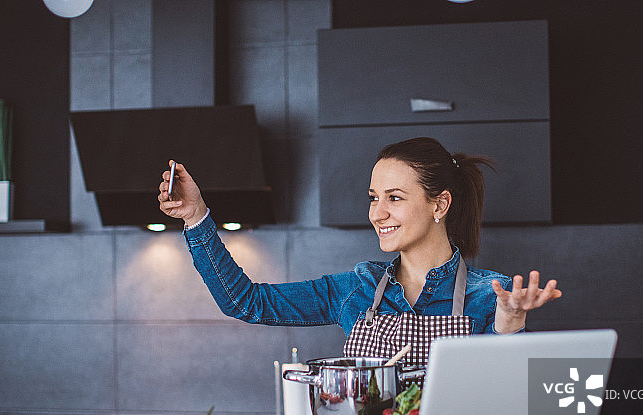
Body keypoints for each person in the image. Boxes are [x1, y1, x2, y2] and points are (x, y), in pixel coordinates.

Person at [158, 137, 561, 367]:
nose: (377, 213)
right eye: (373, 197)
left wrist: (509, 324)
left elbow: (505, 398)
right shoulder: (357, 288)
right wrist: (196, 217)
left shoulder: (493, 294)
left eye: (395, 197)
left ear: (439, 205)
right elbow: (244, 302)